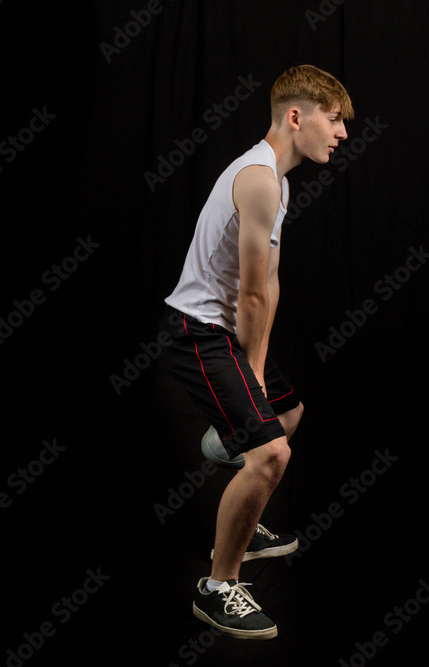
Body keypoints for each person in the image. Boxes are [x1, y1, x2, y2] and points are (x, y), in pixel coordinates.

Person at [159, 64, 353, 639]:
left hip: (224, 330)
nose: (342, 133)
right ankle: (217, 587)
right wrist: (254, 371)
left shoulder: (279, 178)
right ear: (297, 117)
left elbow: (267, 279)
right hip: (196, 332)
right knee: (272, 455)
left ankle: (239, 489)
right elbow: (247, 294)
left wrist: (260, 381)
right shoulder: (260, 178)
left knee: (288, 414)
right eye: (335, 119)